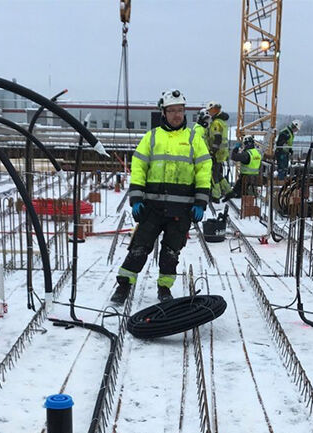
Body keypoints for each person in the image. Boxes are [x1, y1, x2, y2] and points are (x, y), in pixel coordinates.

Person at [111, 89, 212, 304]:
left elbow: (204, 170)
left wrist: (201, 202)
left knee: (171, 252)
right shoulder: (152, 137)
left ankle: (164, 288)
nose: (177, 115)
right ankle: (124, 286)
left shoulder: (194, 139)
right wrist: (136, 198)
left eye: (180, 110)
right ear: (163, 113)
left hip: (181, 209)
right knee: (139, 248)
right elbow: (139, 167)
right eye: (172, 110)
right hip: (152, 207)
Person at [205, 101, 233, 202]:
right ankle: (229, 191)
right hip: (222, 152)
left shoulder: (216, 123)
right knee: (217, 173)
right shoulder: (222, 122)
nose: (210, 113)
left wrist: (212, 151)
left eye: (210, 111)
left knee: (213, 174)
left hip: (217, 153)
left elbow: (217, 138)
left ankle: (216, 195)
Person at [227, 135, 262, 199]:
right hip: (255, 178)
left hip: (245, 178)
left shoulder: (247, 154)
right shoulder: (256, 152)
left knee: (236, 192)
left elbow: (234, 157)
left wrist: (236, 148)